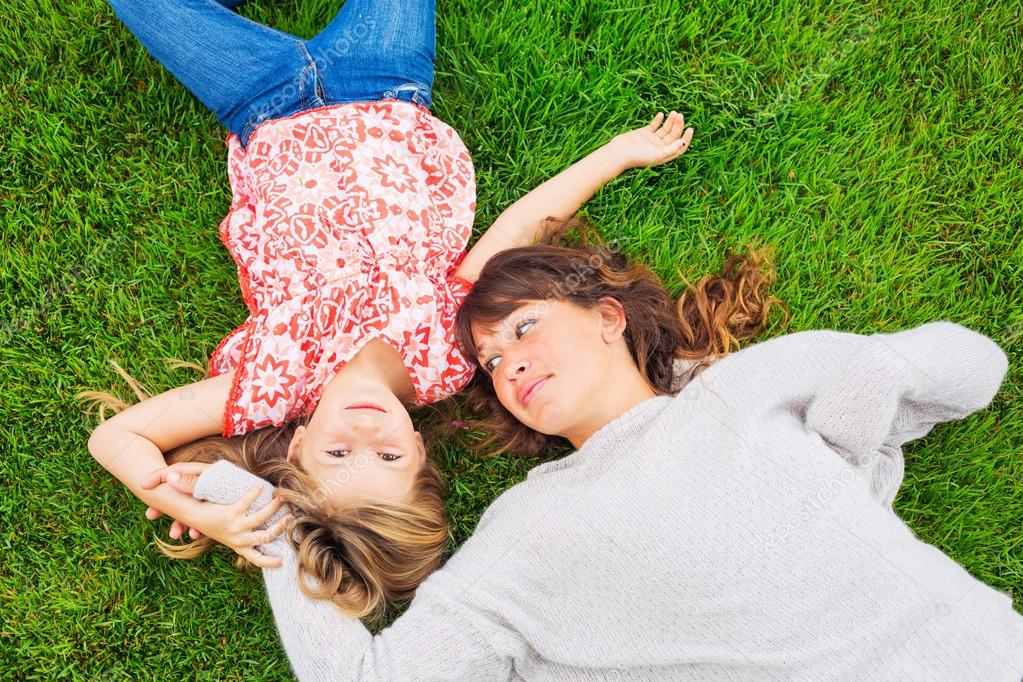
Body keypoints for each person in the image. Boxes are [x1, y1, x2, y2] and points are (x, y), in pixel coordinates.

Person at [83, 0, 695, 620]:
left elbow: (117, 436)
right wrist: (617, 154)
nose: (366, 434)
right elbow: (514, 233)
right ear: (421, 453)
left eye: (338, 456)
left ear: (295, 448)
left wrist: (194, 509)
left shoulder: (271, 386)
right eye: (390, 457)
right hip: (385, 83)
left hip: (259, 100)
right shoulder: (445, 360)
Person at [174, 241, 1023, 679]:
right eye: (492, 361)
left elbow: (975, 367)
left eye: (524, 327)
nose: (510, 364)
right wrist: (261, 512)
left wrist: (874, 377)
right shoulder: (526, 529)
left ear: (609, 319)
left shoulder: (751, 387)